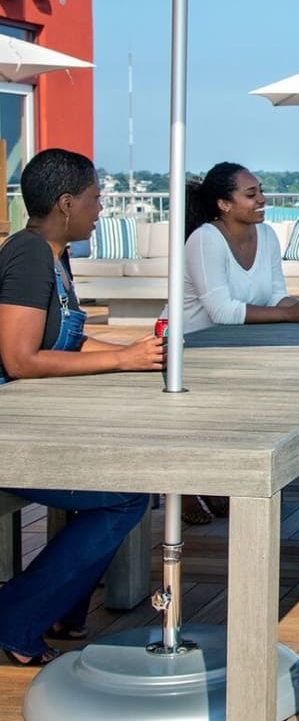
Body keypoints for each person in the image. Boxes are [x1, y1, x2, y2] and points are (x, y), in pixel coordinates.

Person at [0, 148, 160, 666]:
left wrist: (135, 356)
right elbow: (21, 360)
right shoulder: (27, 256)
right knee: (124, 496)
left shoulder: (53, 253)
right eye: (95, 198)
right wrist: (120, 364)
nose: (101, 208)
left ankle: (60, 609)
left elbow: (66, 341)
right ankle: (17, 619)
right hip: (9, 435)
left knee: (122, 477)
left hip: (27, 425)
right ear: (66, 203)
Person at [180, 162, 299, 524]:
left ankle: (216, 483)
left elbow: (277, 296)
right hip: (192, 347)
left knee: (235, 418)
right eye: (251, 195)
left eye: (260, 191)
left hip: (235, 348)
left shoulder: (266, 237)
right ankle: (182, 489)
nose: (262, 200)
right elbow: (220, 310)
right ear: (224, 204)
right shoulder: (205, 238)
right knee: (203, 420)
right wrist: (288, 315)